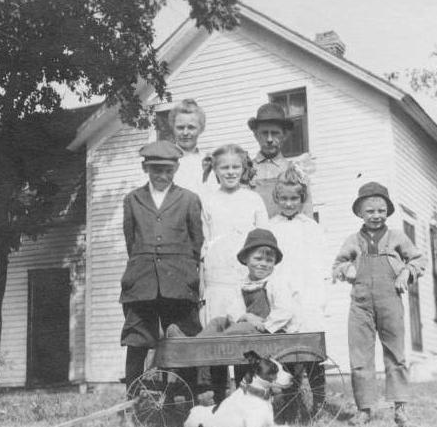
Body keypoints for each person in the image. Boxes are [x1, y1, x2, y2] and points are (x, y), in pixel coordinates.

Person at [332, 181, 427, 427]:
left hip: (390, 299)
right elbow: (337, 266)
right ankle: (364, 409)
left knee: (395, 354)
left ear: (387, 212)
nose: (376, 215)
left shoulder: (397, 237)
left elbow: (418, 260)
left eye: (381, 210)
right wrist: (347, 269)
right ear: (360, 213)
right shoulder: (352, 240)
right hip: (361, 304)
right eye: (370, 211)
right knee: (360, 355)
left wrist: (406, 273)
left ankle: (400, 409)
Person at [168, 228, 301, 404]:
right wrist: (245, 315)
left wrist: (264, 324)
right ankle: (192, 345)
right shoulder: (243, 283)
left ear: (275, 262)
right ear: (246, 259)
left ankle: (200, 348)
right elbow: (234, 308)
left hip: (266, 333)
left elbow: (285, 310)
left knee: (238, 330)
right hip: (246, 328)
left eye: (269, 260)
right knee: (218, 321)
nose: (263, 264)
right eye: (258, 258)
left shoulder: (276, 283)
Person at [119, 141, 204, 394]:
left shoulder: (189, 199)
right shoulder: (132, 199)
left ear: (176, 168)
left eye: (168, 170)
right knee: (137, 340)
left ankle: (183, 401)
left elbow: (196, 243)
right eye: (156, 169)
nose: (162, 176)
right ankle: (132, 401)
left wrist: (185, 272)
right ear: (145, 168)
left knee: (182, 342)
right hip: (142, 282)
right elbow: (131, 241)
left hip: (178, 281)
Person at [200, 144, 268, 326]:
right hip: (217, 280)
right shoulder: (208, 201)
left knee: (246, 334)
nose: (230, 172)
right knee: (217, 332)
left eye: (235, 167)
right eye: (224, 167)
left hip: (247, 280)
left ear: (243, 168)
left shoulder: (253, 200)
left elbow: (264, 244)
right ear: (215, 170)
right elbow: (204, 244)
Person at [268, 164, 331, 333]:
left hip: (306, 286)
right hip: (280, 285)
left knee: (308, 325)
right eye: (284, 199)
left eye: (294, 199)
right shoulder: (270, 227)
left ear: (302, 199)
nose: (288, 204)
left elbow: (321, 263)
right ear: (277, 198)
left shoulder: (311, 227)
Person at [247, 103, 312, 217]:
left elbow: (306, 213)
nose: (269, 139)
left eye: (275, 133)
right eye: (264, 133)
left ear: (285, 135)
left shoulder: (295, 171)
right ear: (256, 135)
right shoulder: (245, 171)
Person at [167, 99, 215, 196]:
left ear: (201, 128)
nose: (185, 133)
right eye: (180, 127)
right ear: (172, 128)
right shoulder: (163, 161)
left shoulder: (210, 161)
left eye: (191, 127)